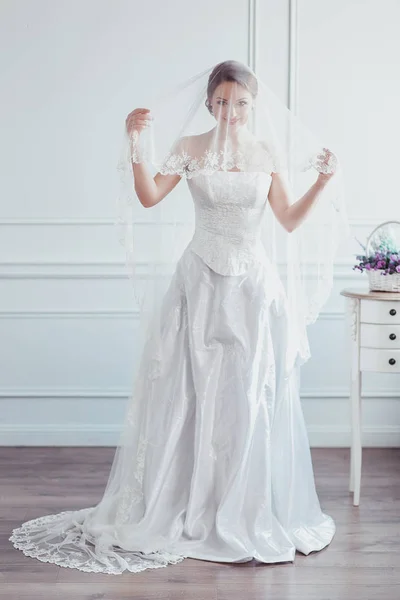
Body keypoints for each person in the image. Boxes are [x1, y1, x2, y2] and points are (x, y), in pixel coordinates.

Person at [9, 60, 349, 574]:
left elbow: (287, 220)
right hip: (199, 283)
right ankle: (183, 505)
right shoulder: (190, 149)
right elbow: (148, 197)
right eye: (222, 101)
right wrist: (134, 142)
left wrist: (322, 184)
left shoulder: (266, 152)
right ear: (209, 102)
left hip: (253, 288)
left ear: (253, 107)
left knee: (247, 397)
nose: (231, 111)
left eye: (241, 103)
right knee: (188, 391)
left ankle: (243, 506)